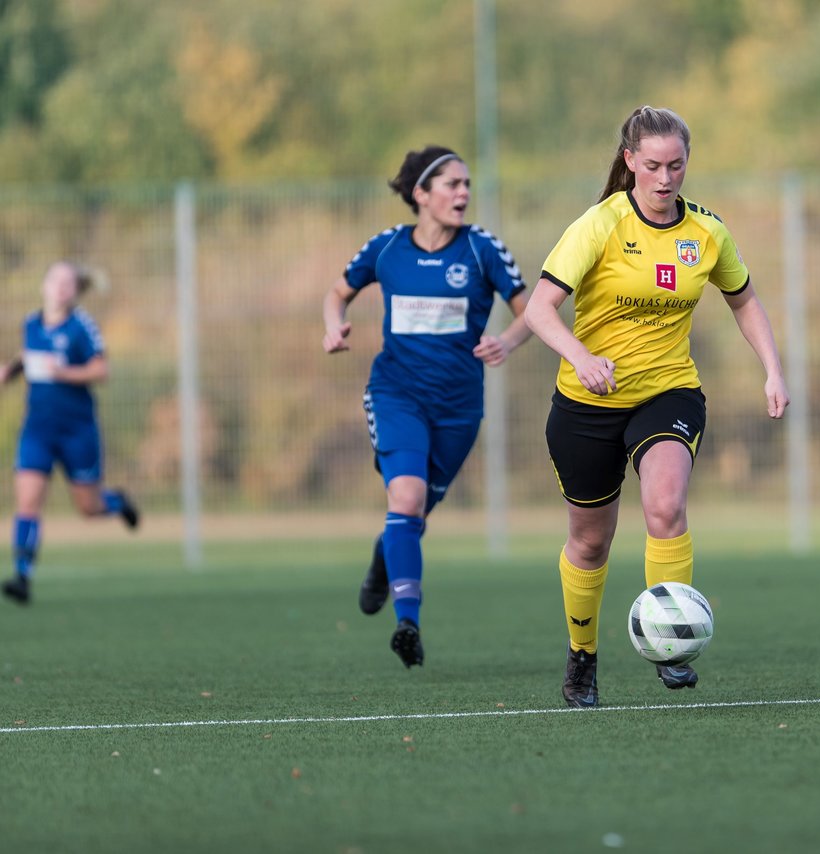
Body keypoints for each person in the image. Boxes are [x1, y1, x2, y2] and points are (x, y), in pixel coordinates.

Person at [523, 106, 789, 708]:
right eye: (652, 166)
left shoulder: (707, 233)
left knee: (666, 507)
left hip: (668, 391)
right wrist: (581, 356)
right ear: (629, 162)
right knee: (590, 543)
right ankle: (582, 656)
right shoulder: (599, 225)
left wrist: (772, 369)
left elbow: (744, 301)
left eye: (676, 165)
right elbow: (539, 309)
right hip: (587, 402)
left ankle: (672, 644)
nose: (666, 178)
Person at [322, 145, 530, 668]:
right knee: (408, 499)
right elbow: (337, 293)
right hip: (397, 395)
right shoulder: (387, 248)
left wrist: (508, 339)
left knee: (411, 514)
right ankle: (407, 622)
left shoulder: (483, 250)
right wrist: (333, 324)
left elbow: (533, 310)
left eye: (466, 184)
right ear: (421, 194)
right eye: (451, 184)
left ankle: (380, 565)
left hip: (459, 409)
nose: (463, 193)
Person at [2, 262, 139, 604]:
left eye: (68, 282)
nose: (61, 287)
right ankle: (22, 576)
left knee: (89, 508)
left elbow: (101, 369)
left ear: (76, 291)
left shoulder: (81, 327)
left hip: (77, 430)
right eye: (56, 280)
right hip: (38, 430)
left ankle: (118, 502)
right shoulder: (31, 324)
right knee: (28, 502)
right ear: (44, 285)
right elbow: (27, 355)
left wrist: (63, 373)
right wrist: (10, 372)